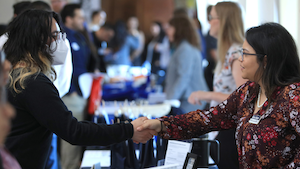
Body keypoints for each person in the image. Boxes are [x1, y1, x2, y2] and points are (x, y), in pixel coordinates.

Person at [3, 9, 155, 169]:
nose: (60, 41)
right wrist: (128, 129)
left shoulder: (17, 75)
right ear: (37, 39)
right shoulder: (33, 82)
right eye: (55, 36)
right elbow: (74, 131)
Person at [137, 22, 300, 168]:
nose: (239, 59)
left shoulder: (293, 95)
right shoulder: (248, 92)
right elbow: (208, 119)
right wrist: (161, 125)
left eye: (245, 53)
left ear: (265, 60)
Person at [187, 2, 247, 169]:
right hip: (223, 126)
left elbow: (243, 97)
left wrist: (206, 94)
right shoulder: (228, 52)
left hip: (230, 130)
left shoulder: (236, 53)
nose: (209, 21)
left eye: (212, 17)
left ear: (224, 21)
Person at [164, 15, 208, 113]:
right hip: (188, 99)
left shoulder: (185, 49)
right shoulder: (182, 47)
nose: (167, 31)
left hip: (191, 100)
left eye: (170, 28)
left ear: (179, 29)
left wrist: (169, 100)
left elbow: (183, 77)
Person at [146, 21, 170, 85]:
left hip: (160, 67)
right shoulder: (153, 39)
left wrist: (160, 61)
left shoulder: (164, 39)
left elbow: (166, 51)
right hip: (151, 66)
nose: (153, 29)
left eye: (154, 27)